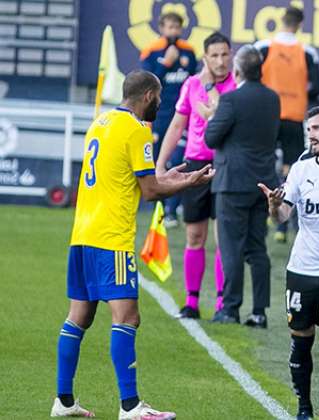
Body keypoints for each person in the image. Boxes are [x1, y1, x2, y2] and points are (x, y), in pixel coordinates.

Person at [50, 70, 214, 419]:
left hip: (83, 234)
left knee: (78, 316)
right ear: (148, 96)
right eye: (157, 98)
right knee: (128, 317)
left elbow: (132, 179)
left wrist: (166, 178)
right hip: (112, 239)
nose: (158, 104)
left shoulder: (102, 122)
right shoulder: (138, 129)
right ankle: (130, 406)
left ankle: (63, 401)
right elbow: (150, 191)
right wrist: (187, 183)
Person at [257, 105, 319, 419]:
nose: (310, 135)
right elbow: (283, 215)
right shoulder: (301, 168)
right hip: (302, 270)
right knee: (301, 342)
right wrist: (274, 205)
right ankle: (304, 408)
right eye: (308, 129)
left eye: (317, 129)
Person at [156, 32, 235, 319]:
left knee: (222, 237)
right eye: (214, 55)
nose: (220, 60)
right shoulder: (191, 85)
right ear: (205, 58)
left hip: (226, 167)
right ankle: (191, 302)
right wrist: (161, 165)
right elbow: (177, 126)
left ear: (232, 55)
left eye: (225, 54)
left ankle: (221, 304)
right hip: (195, 167)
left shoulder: (238, 87)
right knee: (194, 235)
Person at [204, 45, 280, 327]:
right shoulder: (273, 98)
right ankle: (259, 312)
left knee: (231, 247)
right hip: (263, 182)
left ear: (237, 71)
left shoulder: (231, 100)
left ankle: (230, 308)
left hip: (232, 182)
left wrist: (211, 114)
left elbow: (211, 138)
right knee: (257, 248)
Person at [255, 6, 319, 243]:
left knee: (264, 159)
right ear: (300, 24)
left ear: (281, 21)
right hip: (294, 115)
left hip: (267, 114)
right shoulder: (307, 52)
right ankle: (284, 226)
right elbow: (317, 87)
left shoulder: (263, 47)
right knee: (290, 167)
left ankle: (263, 209)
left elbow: (250, 77)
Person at [139, 12, 198, 226]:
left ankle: (173, 210)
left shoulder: (189, 51)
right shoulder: (152, 50)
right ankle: (159, 209)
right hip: (158, 115)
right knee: (156, 162)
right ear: (161, 28)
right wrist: (166, 63)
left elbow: (193, 81)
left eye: (177, 27)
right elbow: (146, 82)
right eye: (169, 27)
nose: (173, 31)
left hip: (182, 116)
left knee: (180, 160)